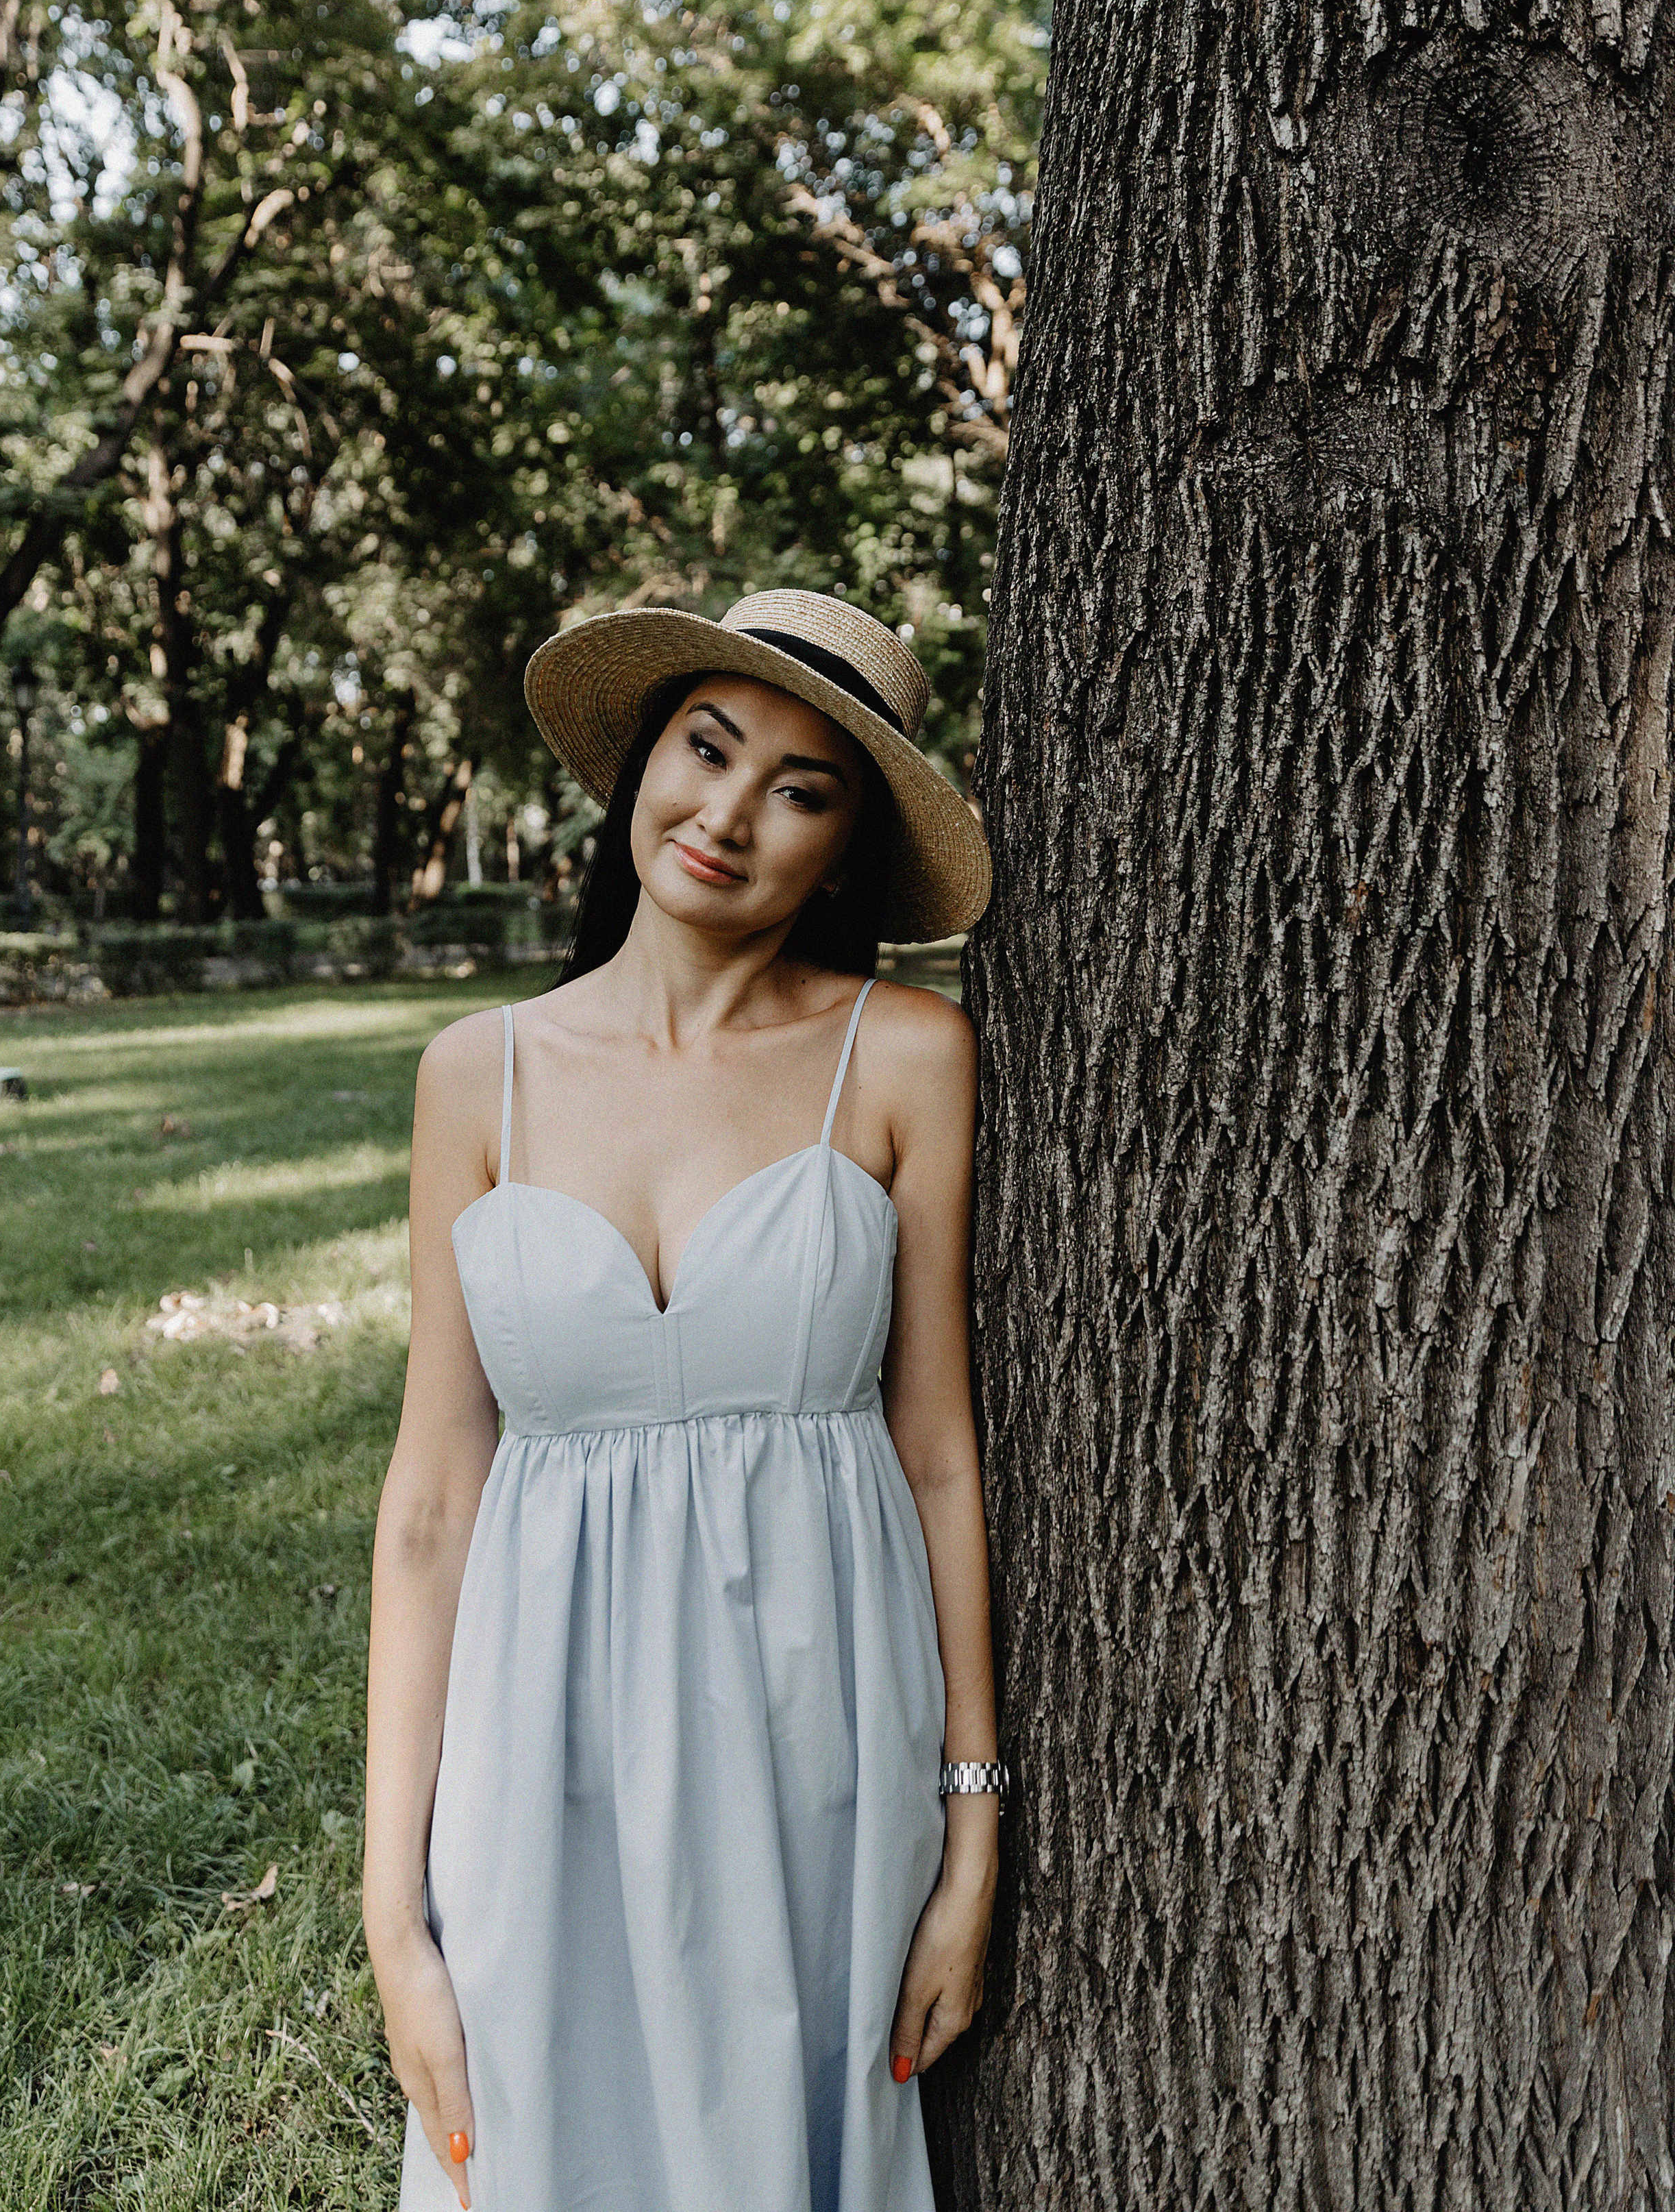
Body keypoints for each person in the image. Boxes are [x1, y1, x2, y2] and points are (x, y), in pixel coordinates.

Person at [364, 587, 1006, 2212]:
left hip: (820, 1748)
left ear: (844, 851)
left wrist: (971, 1831)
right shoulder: (476, 1074)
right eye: (706, 748)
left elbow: (937, 1457)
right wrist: (393, 1918)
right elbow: (434, 1505)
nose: (727, 813)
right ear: (641, 761)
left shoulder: (908, 1056)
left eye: (800, 788)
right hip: (534, 1751)